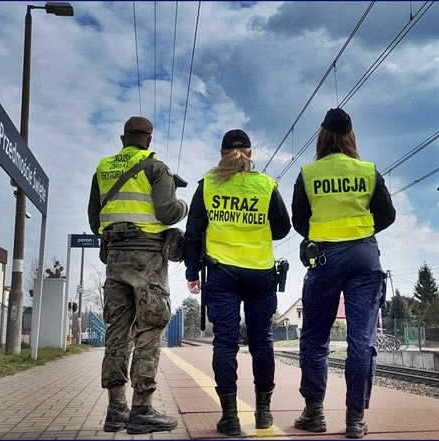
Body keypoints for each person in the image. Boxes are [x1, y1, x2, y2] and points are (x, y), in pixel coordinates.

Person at [291, 108, 396, 439]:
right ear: (351, 137)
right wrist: (360, 233)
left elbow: (299, 221)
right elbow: (387, 215)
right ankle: (355, 419)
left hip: (324, 258)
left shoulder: (308, 174)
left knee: (315, 337)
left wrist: (323, 234)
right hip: (364, 257)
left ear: (322, 137)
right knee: (361, 340)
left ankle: (314, 412)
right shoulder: (368, 171)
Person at [183, 129, 291, 436]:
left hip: (222, 273)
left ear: (221, 154)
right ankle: (263, 413)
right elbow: (282, 228)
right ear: (250, 153)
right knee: (262, 342)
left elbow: (193, 232)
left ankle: (229, 417)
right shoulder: (266, 185)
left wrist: (192, 272)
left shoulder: (207, 185)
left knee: (225, 343)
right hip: (260, 273)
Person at [87, 116, 188, 435]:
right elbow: (167, 213)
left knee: (117, 332)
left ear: (122, 139)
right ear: (149, 140)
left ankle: (116, 409)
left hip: (115, 258)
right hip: (147, 260)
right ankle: (142, 409)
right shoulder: (156, 168)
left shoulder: (103, 169)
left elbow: (95, 221)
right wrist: (183, 205)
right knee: (149, 329)